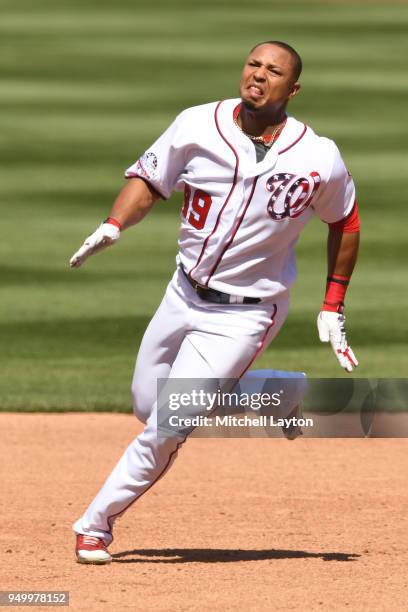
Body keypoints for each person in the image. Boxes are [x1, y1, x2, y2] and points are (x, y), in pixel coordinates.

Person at [70, 40, 360, 564]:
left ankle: (96, 524)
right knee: (147, 404)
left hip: (248, 312)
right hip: (181, 293)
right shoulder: (197, 124)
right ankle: (282, 393)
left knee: (169, 422)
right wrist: (113, 224)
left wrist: (333, 304)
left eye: (273, 71)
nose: (257, 75)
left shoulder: (319, 156)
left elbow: (346, 221)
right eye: (253, 64)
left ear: (292, 90)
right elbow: (149, 180)